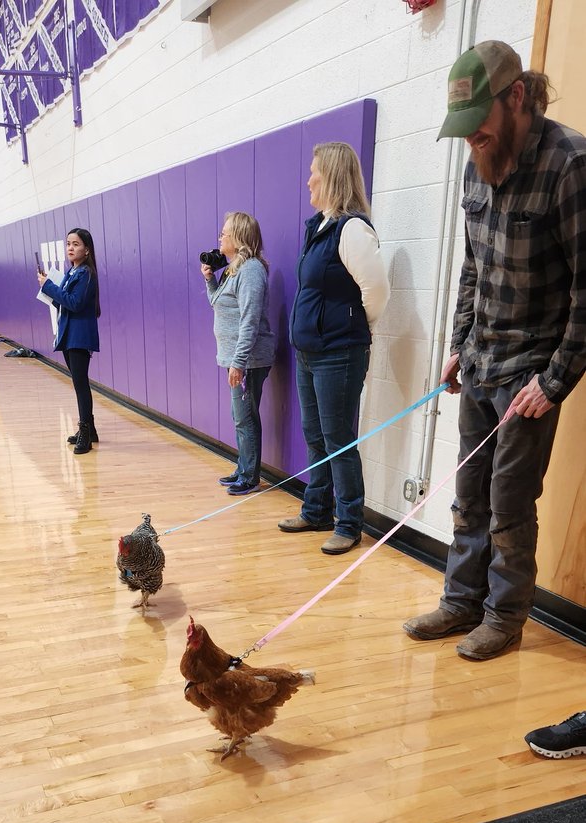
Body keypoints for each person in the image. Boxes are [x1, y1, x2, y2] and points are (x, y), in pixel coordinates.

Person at [404, 41, 586, 660]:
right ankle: (459, 602)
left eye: (478, 129)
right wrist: (460, 343)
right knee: (469, 493)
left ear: (516, 97)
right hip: (481, 363)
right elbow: (473, 269)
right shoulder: (475, 161)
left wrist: (554, 381)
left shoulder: (571, 164)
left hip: (531, 376)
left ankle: (504, 617)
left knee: (510, 505)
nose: (471, 142)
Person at [278, 141, 390, 555]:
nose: (308, 180)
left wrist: (349, 328)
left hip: (339, 354)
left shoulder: (353, 229)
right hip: (310, 353)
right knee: (315, 435)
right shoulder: (320, 226)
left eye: (315, 174)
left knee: (338, 438)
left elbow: (376, 293)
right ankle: (317, 509)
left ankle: (349, 522)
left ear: (334, 178)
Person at [201, 212, 275, 496]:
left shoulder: (252, 270)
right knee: (240, 415)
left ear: (239, 237)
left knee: (245, 416)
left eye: (224, 233)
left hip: (249, 360)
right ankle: (243, 467)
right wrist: (210, 280)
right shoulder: (234, 269)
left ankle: (250, 476)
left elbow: (250, 320)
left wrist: (239, 362)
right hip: (237, 359)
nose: (220, 237)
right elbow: (218, 304)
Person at [37, 228, 101, 456]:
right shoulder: (72, 272)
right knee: (77, 383)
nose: (71, 248)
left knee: (81, 385)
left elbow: (74, 303)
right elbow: (63, 304)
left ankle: (86, 432)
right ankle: (90, 428)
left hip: (79, 336)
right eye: (68, 244)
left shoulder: (86, 274)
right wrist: (49, 292)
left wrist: (49, 287)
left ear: (87, 250)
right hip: (68, 333)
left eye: (76, 244)